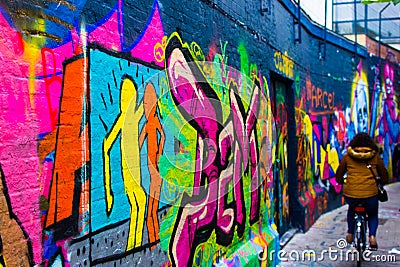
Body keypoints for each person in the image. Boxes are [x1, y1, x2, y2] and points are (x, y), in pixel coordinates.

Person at [335, 132, 388, 249]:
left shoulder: (347, 157)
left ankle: (350, 233)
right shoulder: (375, 157)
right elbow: (384, 174)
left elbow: (339, 173)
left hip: (351, 193)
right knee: (373, 214)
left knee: (352, 209)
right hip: (370, 194)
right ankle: (372, 237)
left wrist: (339, 181)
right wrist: (383, 181)